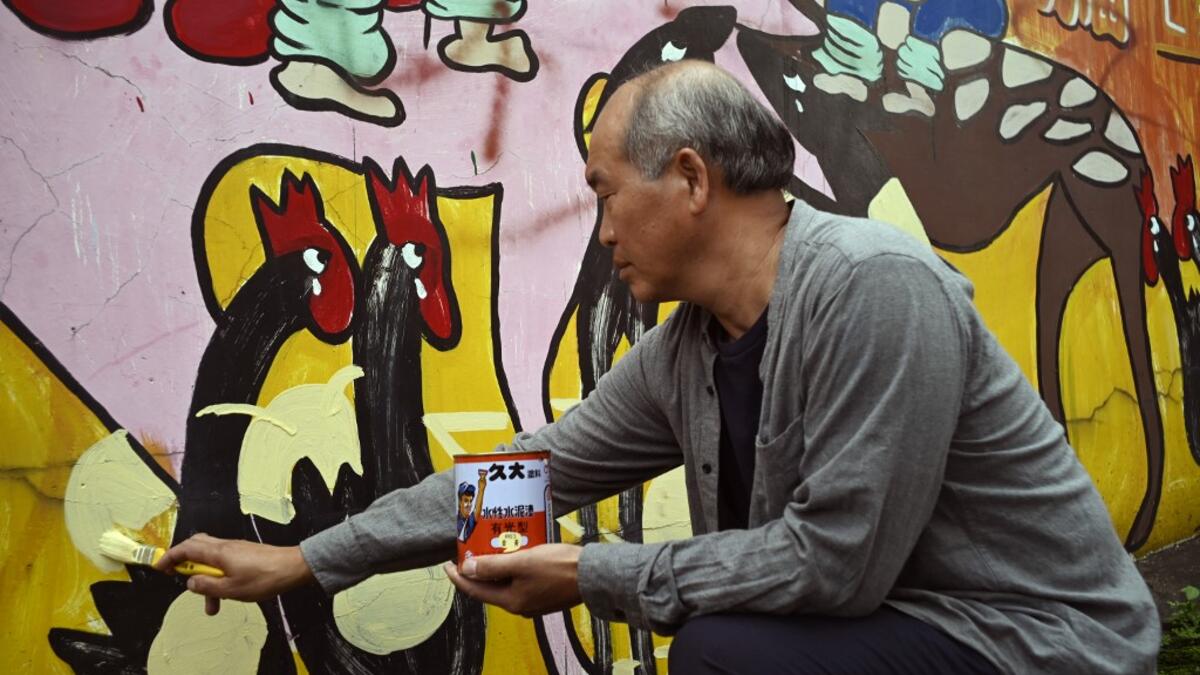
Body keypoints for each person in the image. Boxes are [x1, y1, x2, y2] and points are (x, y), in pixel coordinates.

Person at [158, 59, 1160, 673]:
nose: (600, 232)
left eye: (604, 193)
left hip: (1033, 641)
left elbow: (834, 567)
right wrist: (305, 559)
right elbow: (530, 474)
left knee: (723, 651)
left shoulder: (874, 288)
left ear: (689, 178)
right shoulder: (689, 347)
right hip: (906, 625)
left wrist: (588, 573)